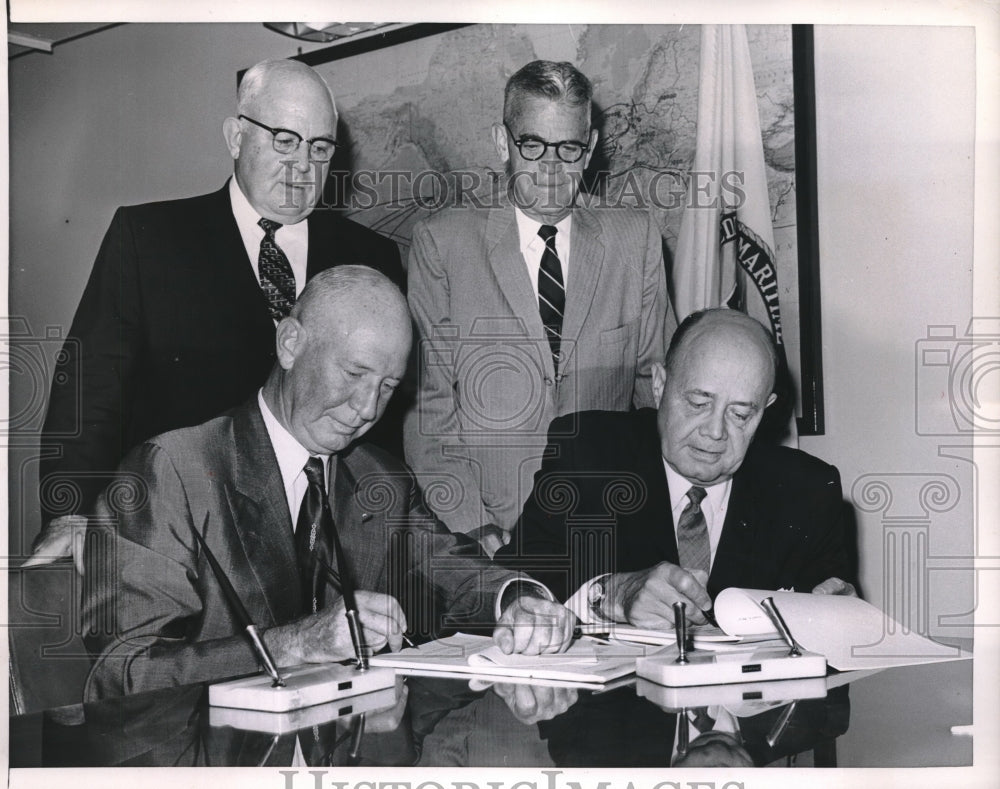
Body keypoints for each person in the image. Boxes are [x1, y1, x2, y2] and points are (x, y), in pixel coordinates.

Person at [81, 267, 573, 699]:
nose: (367, 409)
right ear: (290, 344)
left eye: (387, 387)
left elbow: (450, 570)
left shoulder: (379, 478)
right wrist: (297, 644)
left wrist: (517, 600)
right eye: (354, 373)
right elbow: (122, 673)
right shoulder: (171, 471)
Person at [28, 58, 403, 574]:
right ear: (236, 137)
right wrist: (70, 512)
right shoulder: (149, 238)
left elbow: (380, 420)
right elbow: (89, 393)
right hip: (178, 540)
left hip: (320, 547)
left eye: (320, 148)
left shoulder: (370, 258)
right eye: (285, 141)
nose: (303, 167)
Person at [404, 60, 672, 555]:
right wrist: (473, 528)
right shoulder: (442, 244)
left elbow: (658, 398)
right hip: (492, 536)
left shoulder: (635, 240)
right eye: (532, 145)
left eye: (568, 148)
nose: (551, 169)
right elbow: (429, 412)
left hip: (611, 530)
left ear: (590, 148)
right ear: (502, 142)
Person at [495, 308, 856, 628]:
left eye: (740, 414)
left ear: (765, 409)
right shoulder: (590, 454)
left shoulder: (807, 490)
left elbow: (832, 606)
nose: (715, 431)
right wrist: (608, 596)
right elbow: (514, 582)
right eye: (699, 403)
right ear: (659, 385)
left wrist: (843, 617)